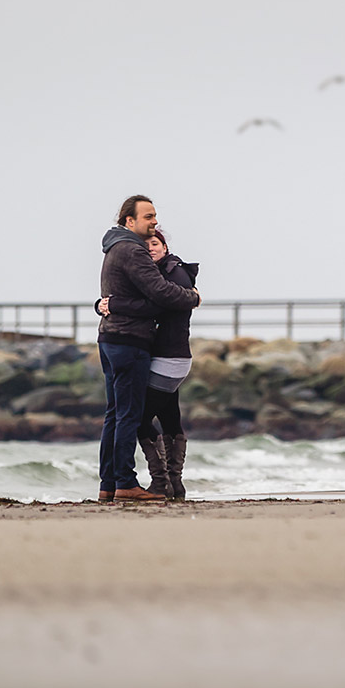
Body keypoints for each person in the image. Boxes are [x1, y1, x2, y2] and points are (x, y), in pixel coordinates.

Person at [97, 195, 201, 502]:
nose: (154, 221)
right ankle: (126, 483)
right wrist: (192, 297)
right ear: (130, 221)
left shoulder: (115, 248)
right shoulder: (132, 250)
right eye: (148, 217)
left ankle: (109, 483)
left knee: (116, 415)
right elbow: (160, 295)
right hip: (129, 343)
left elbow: (133, 296)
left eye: (155, 216)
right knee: (129, 416)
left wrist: (110, 305)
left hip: (111, 339)